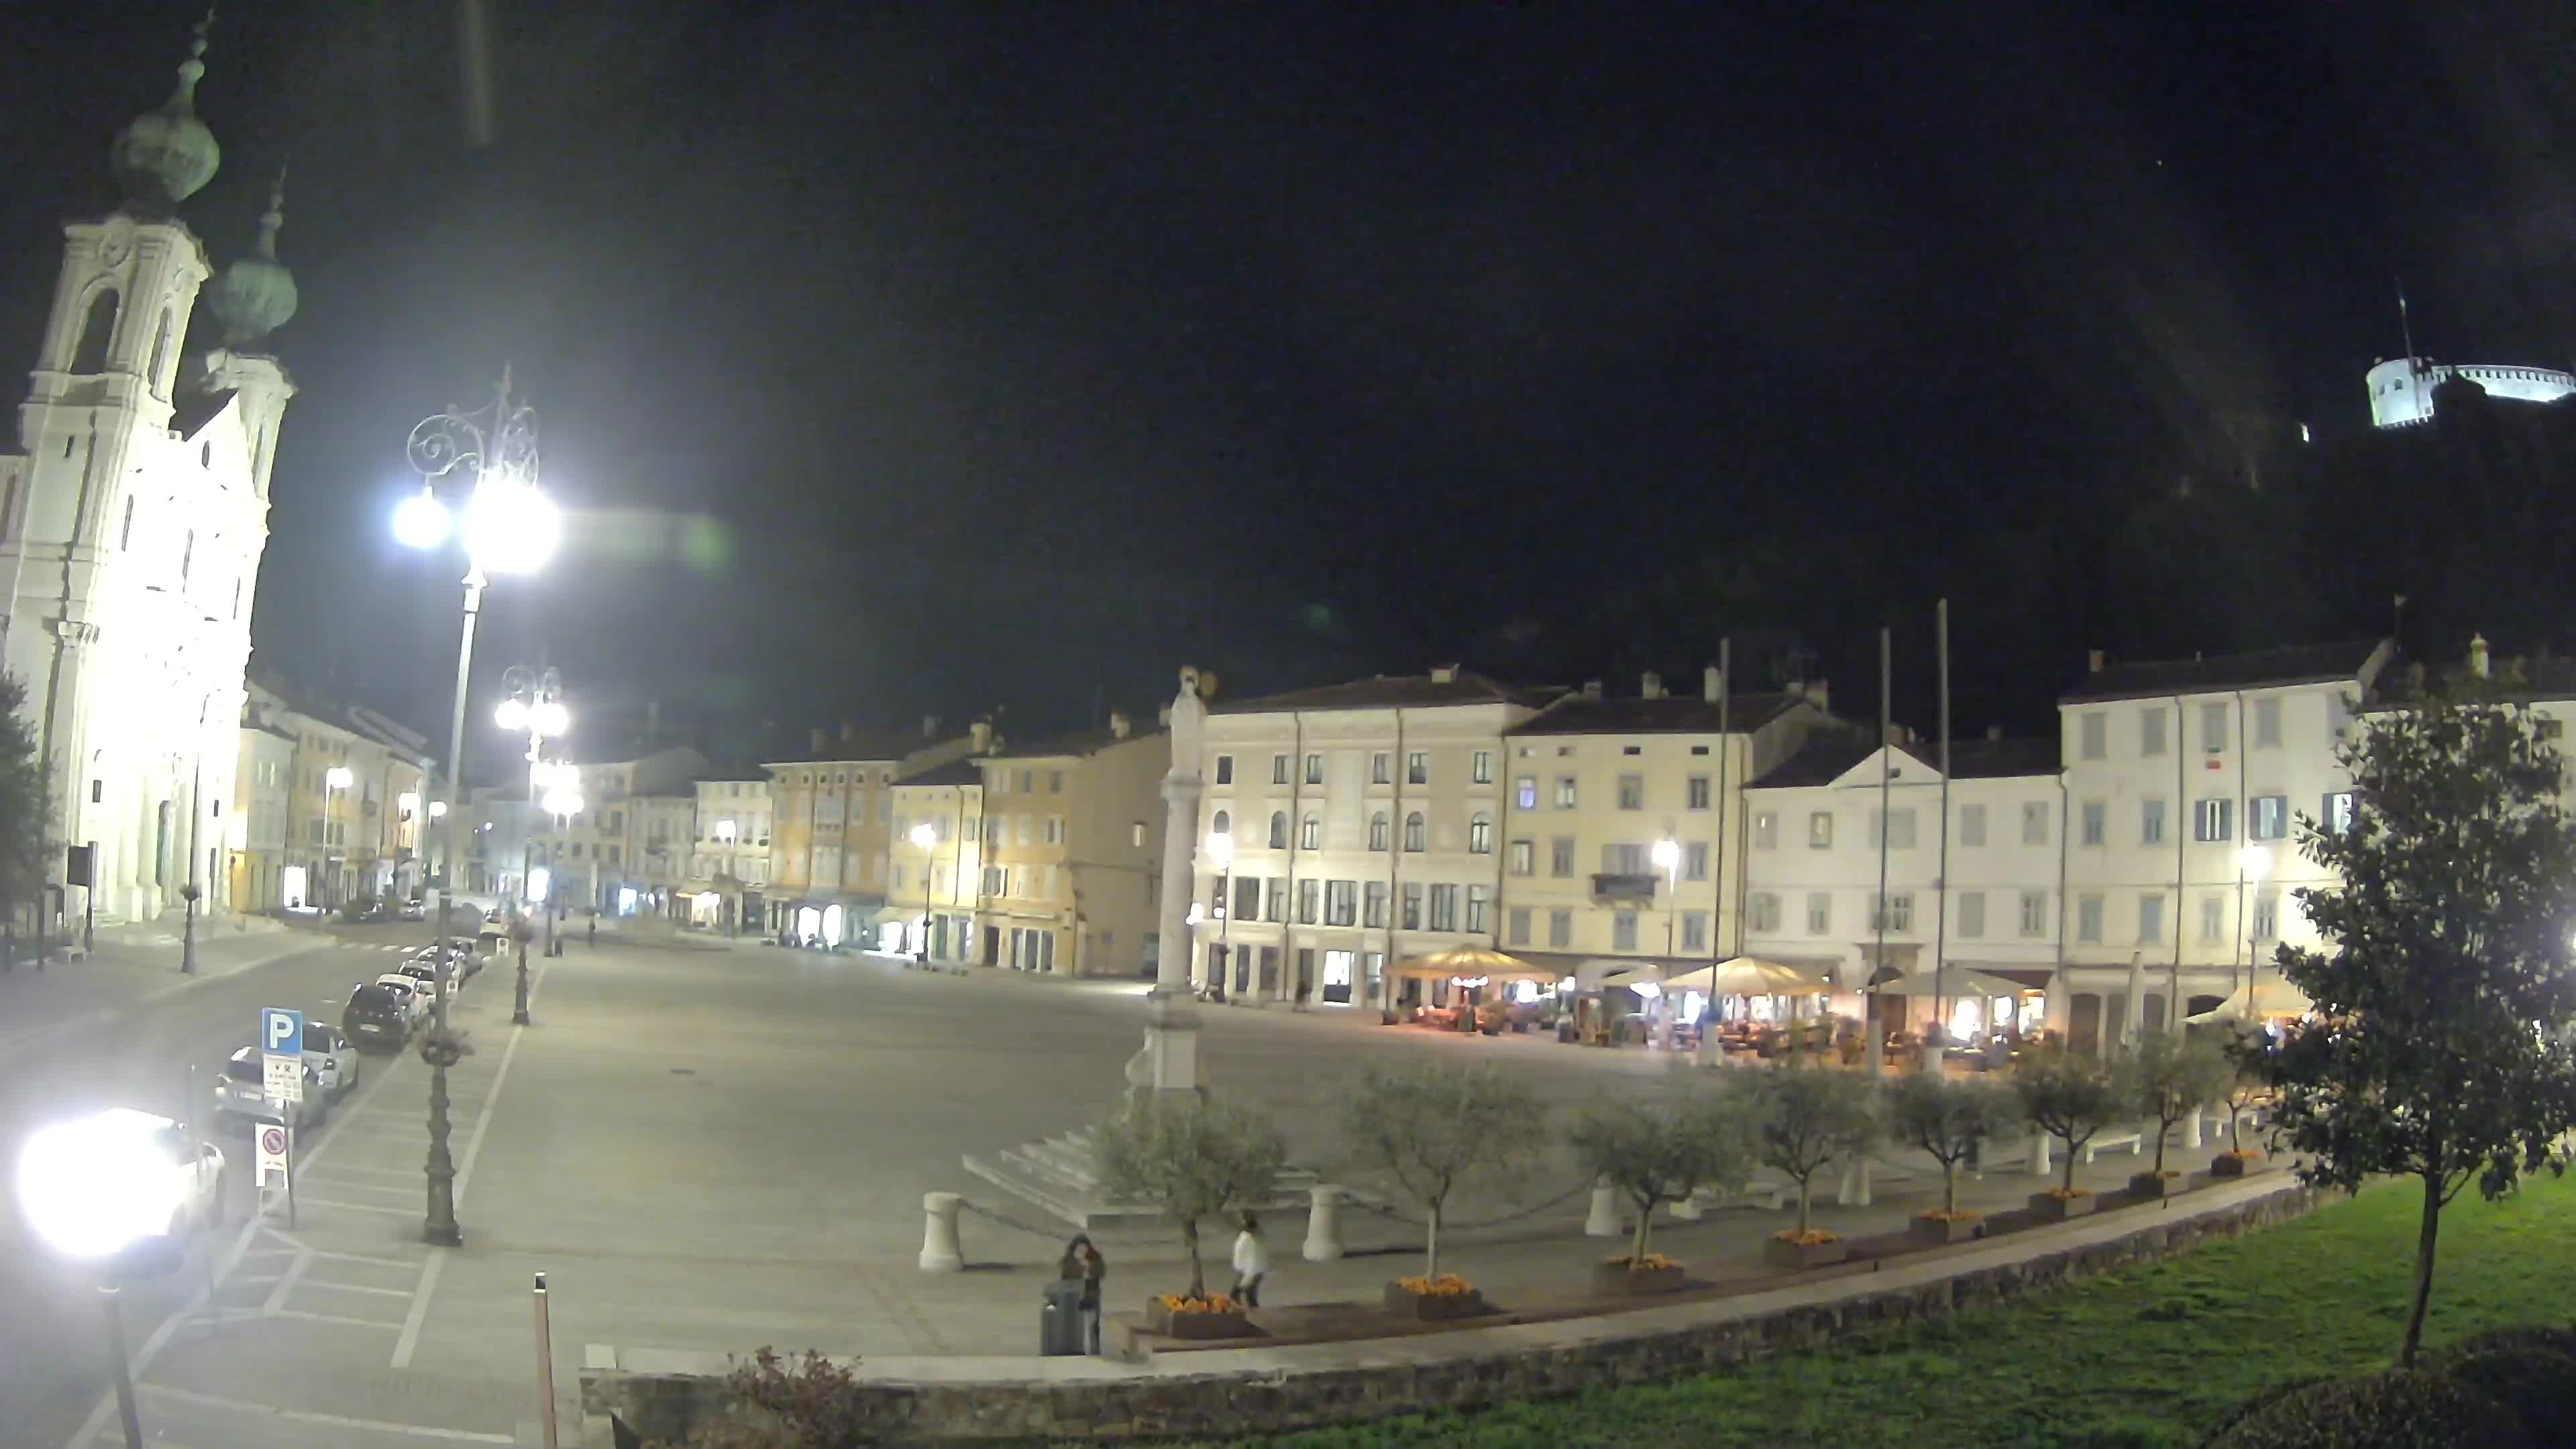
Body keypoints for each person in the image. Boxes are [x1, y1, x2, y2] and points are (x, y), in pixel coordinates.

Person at [1057, 1234, 1106, 1354]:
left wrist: (1090, 1265)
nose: (1082, 1252)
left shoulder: (1094, 1258)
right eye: (1079, 1249)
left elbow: (1101, 1272)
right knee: (1075, 1325)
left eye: (1084, 1249)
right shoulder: (1069, 1260)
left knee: (1093, 1324)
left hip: (1091, 1295)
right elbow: (1066, 1277)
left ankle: (1095, 1348)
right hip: (1075, 1298)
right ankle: (1075, 1348)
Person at [1230, 1210, 1269, 1308]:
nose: (1238, 1222)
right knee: (1248, 1297)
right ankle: (1250, 1314)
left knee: (1239, 1295)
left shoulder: (1250, 1238)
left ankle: (1244, 1314)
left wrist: (1247, 1278)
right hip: (1250, 1271)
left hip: (1251, 1272)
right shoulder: (1248, 1235)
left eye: (1240, 1220)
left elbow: (1254, 1258)